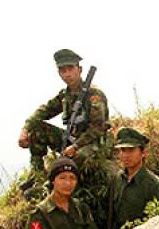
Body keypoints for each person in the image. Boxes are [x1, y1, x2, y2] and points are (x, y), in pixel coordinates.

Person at [18, 49, 110, 191]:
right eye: (62, 70)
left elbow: (98, 128)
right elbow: (44, 111)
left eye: (70, 69)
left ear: (79, 70)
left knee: (74, 159)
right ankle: (37, 176)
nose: (67, 74)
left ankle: (55, 185)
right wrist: (25, 129)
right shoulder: (65, 95)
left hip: (92, 143)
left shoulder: (94, 95)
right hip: (71, 140)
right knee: (37, 129)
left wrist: (75, 147)